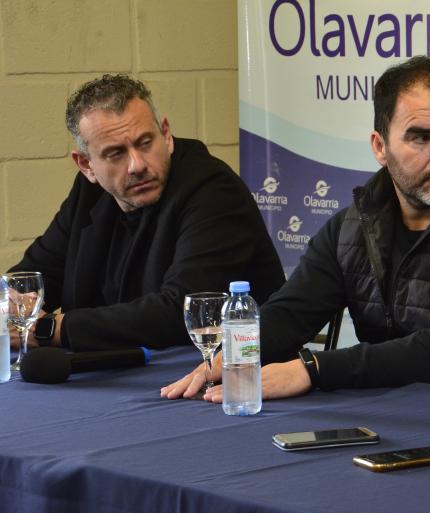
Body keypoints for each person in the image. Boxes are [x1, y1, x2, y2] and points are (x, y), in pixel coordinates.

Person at [161, 56, 430, 401]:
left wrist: (312, 369)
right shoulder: (354, 226)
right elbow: (290, 313)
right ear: (379, 147)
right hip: (390, 416)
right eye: (421, 138)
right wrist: (231, 357)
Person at [7, 74, 285, 352]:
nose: (137, 165)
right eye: (116, 154)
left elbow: (180, 313)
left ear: (166, 135)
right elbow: (28, 282)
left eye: (145, 143)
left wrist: (51, 328)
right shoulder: (89, 194)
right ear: (86, 165)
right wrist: (9, 305)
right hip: (113, 372)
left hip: (212, 375)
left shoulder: (213, 190)